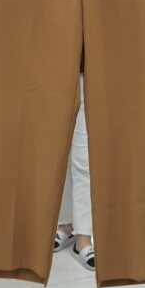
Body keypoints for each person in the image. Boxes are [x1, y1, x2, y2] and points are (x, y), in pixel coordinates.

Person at [55, 75, 95, 271]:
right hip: (59, 77)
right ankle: (66, 224)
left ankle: (83, 238)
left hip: (89, 79)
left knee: (83, 160)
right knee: (61, 156)